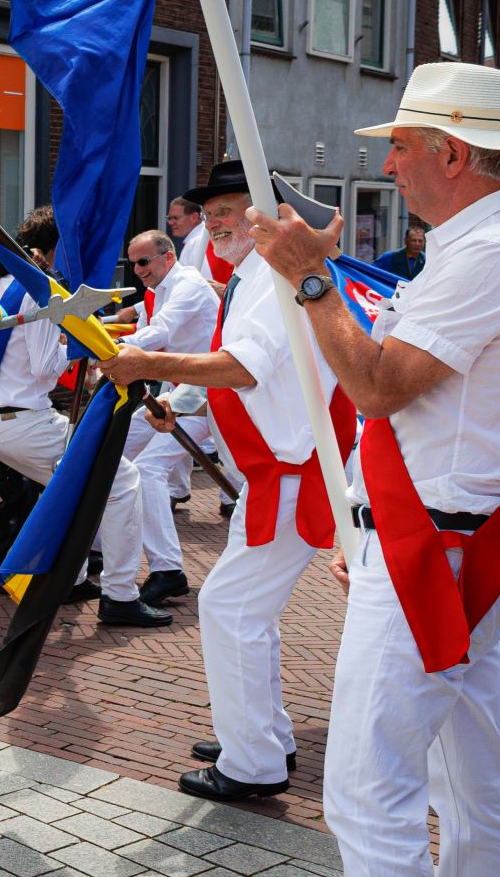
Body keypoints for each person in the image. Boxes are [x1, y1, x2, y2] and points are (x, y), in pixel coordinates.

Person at [248, 64, 500, 874]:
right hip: (444, 544)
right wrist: (368, 525)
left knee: (368, 796)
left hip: (433, 555)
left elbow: (378, 386)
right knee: (466, 778)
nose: (388, 165)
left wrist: (311, 280)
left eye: (400, 146)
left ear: (452, 154)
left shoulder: (493, 254)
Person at [99, 160, 354, 802]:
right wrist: (179, 401)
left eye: (229, 211)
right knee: (246, 611)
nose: (215, 223)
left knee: (228, 608)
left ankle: (253, 762)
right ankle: (260, 735)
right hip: (275, 475)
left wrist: (147, 364)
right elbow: (251, 373)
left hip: (292, 475)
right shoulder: (252, 275)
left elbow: (244, 368)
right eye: (209, 214)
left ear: (263, 213)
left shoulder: (268, 277)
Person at [0, 208, 172, 629]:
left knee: (74, 491)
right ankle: (120, 594)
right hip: (25, 421)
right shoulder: (38, 290)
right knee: (124, 481)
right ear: (56, 247)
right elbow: (44, 368)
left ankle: (69, 579)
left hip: (3, 420)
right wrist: (72, 346)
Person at [115, 229, 220, 606]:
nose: (138, 270)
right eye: (133, 264)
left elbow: (160, 332)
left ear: (168, 257)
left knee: (149, 470)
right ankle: (97, 548)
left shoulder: (187, 285)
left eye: (144, 262)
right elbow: (145, 330)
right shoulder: (159, 289)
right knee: (114, 452)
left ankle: (167, 570)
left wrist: (112, 347)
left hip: (212, 393)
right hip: (181, 392)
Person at [170, 196, 209, 277]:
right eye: (169, 218)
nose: (170, 223)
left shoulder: (195, 243)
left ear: (194, 217)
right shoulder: (201, 239)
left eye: (175, 218)